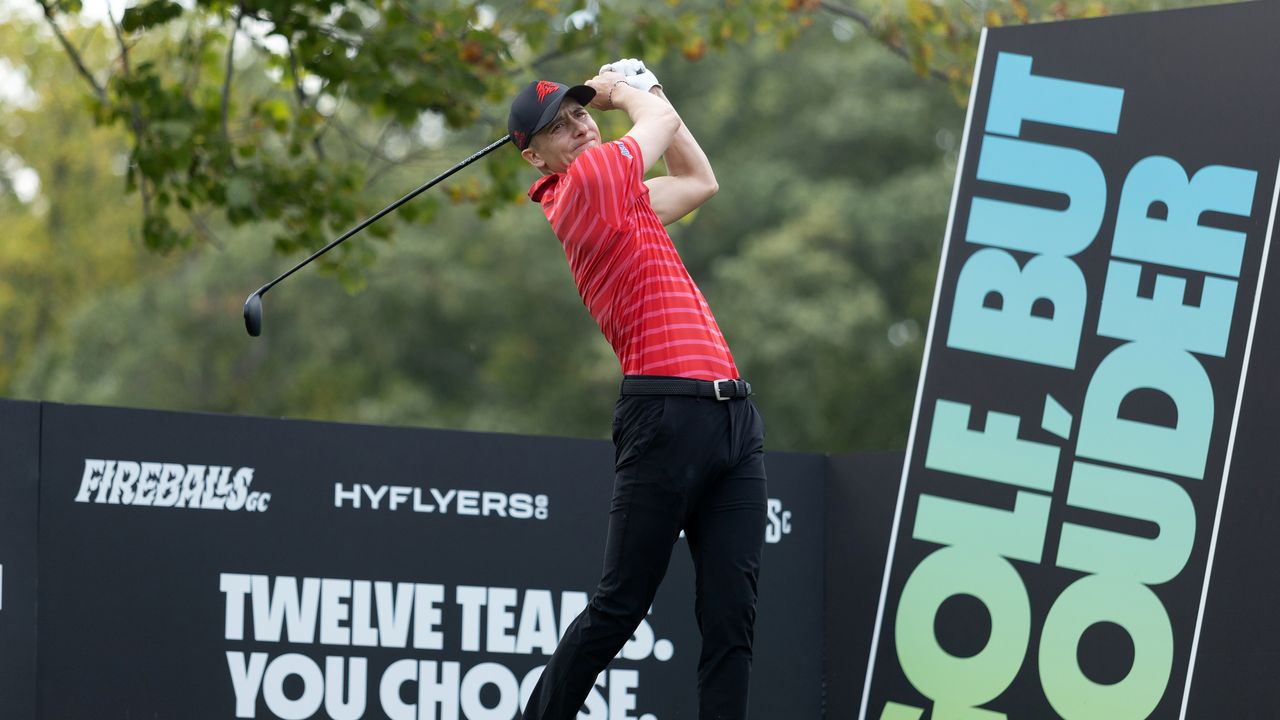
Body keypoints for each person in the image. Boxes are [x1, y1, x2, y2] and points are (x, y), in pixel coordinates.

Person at [507, 60, 767, 720]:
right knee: (621, 603)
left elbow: (700, 179)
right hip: (665, 414)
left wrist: (643, 92)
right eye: (560, 129)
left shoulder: (622, 195)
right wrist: (626, 90)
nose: (580, 128)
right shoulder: (584, 186)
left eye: (580, 114)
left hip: (731, 417)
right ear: (536, 158)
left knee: (731, 620)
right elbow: (658, 122)